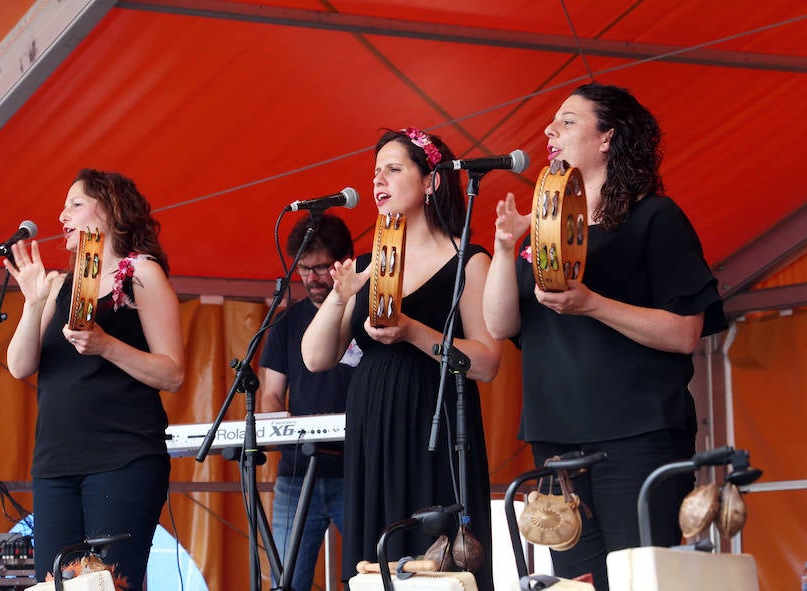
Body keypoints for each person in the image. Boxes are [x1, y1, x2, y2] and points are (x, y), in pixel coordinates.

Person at [482, 83, 726, 590]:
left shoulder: (654, 217)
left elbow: (685, 334)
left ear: (607, 138)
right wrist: (506, 249)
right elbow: (500, 326)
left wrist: (592, 304)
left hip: (637, 436)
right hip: (555, 436)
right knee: (576, 583)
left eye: (568, 121)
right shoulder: (543, 227)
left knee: (640, 577)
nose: (550, 131)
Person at [301, 128, 502, 591]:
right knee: (377, 558)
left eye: (393, 169)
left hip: (437, 426)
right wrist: (340, 296)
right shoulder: (371, 262)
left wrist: (412, 332)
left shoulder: (468, 261)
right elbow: (314, 358)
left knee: (439, 560)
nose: (378, 181)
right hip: (373, 424)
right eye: (375, 172)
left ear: (431, 181)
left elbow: (488, 362)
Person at [4, 168, 184, 590]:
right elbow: (18, 365)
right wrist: (32, 303)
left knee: (107, 584)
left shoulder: (141, 273)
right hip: (56, 462)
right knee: (56, 583)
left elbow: (173, 372)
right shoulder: (59, 284)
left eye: (75, 204)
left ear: (109, 210)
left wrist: (107, 346)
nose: (62, 215)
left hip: (122, 458)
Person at [258, 213, 359, 591]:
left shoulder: (367, 311)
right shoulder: (285, 323)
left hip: (358, 469)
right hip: (297, 473)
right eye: (305, 269)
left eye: (322, 268)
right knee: (287, 581)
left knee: (370, 575)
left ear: (346, 261)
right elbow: (270, 393)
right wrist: (277, 423)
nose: (313, 279)